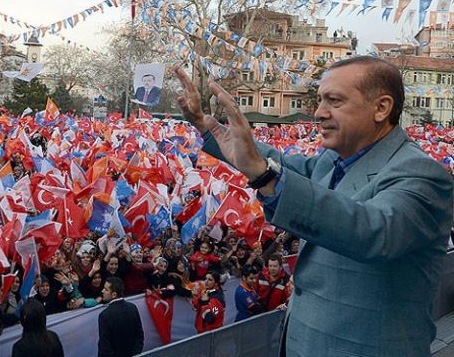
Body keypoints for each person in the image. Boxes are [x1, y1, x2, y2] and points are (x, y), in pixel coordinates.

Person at [174, 57, 453, 356]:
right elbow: (276, 166)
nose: (319, 113)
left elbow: (374, 231)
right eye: (320, 100)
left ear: (381, 108)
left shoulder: (422, 174)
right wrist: (209, 127)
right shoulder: (331, 161)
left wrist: (263, 173)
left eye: (334, 100)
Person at [98, 276, 144, 357]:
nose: (102, 291)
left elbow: (105, 346)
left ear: (114, 294)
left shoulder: (104, 316)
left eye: (106, 289)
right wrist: (136, 354)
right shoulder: (132, 307)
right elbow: (140, 335)